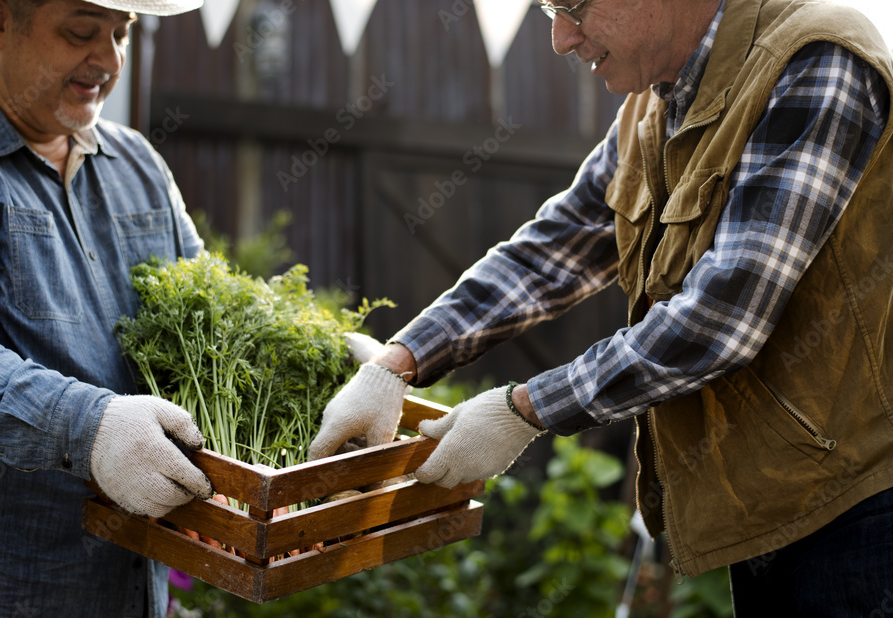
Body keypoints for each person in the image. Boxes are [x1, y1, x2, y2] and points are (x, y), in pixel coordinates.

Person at [309, 0, 893, 614]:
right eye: (547, 10)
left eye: (575, 7)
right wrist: (399, 361)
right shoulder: (654, 102)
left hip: (863, 506)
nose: (561, 39)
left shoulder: (817, 59)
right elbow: (552, 254)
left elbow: (722, 319)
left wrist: (523, 410)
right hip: (782, 501)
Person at [0, 0, 223, 615]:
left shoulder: (137, 166)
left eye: (122, 33)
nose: (109, 58)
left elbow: (213, 312)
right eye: (81, 31)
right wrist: (90, 427)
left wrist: (333, 354)